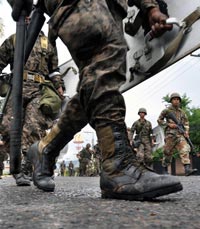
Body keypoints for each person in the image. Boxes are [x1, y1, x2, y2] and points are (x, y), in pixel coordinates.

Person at [9, 0, 183, 200]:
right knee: (103, 53)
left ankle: (45, 148)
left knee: (96, 78)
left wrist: (149, 7)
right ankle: (117, 166)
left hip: (113, 5)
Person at [0, 20, 64, 186]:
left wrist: (59, 86)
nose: (28, 18)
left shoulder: (46, 44)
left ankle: (27, 169)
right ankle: (17, 167)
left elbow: (54, 70)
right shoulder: (14, 40)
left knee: (33, 128)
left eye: (31, 15)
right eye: (25, 15)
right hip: (16, 89)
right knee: (7, 127)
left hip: (38, 90)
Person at [157, 92, 197, 176]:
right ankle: (165, 170)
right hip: (170, 135)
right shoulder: (166, 111)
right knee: (167, 152)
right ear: (171, 101)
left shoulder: (182, 112)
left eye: (178, 99)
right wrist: (168, 124)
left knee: (185, 149)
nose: (176, 101)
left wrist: (186, 131)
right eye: (174, 99)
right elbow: (159, 120)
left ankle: (187, 169)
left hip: (180, 135)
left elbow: (186, 123)